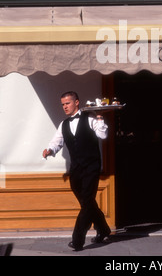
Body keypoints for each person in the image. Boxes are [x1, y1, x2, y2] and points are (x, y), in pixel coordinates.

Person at [42, 91, 111, 251]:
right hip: (75, 170)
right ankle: (104, 229)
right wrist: (49, 151)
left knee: (87, 202)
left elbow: (103, 134)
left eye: (67, 103)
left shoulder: (91, 117)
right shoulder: (64, 124)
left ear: (77, 102)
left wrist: (100, 116)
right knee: (88, 203)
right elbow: (56, 142)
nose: (65, 107)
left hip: (91, 168)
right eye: (63, 104)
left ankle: (77, 240)